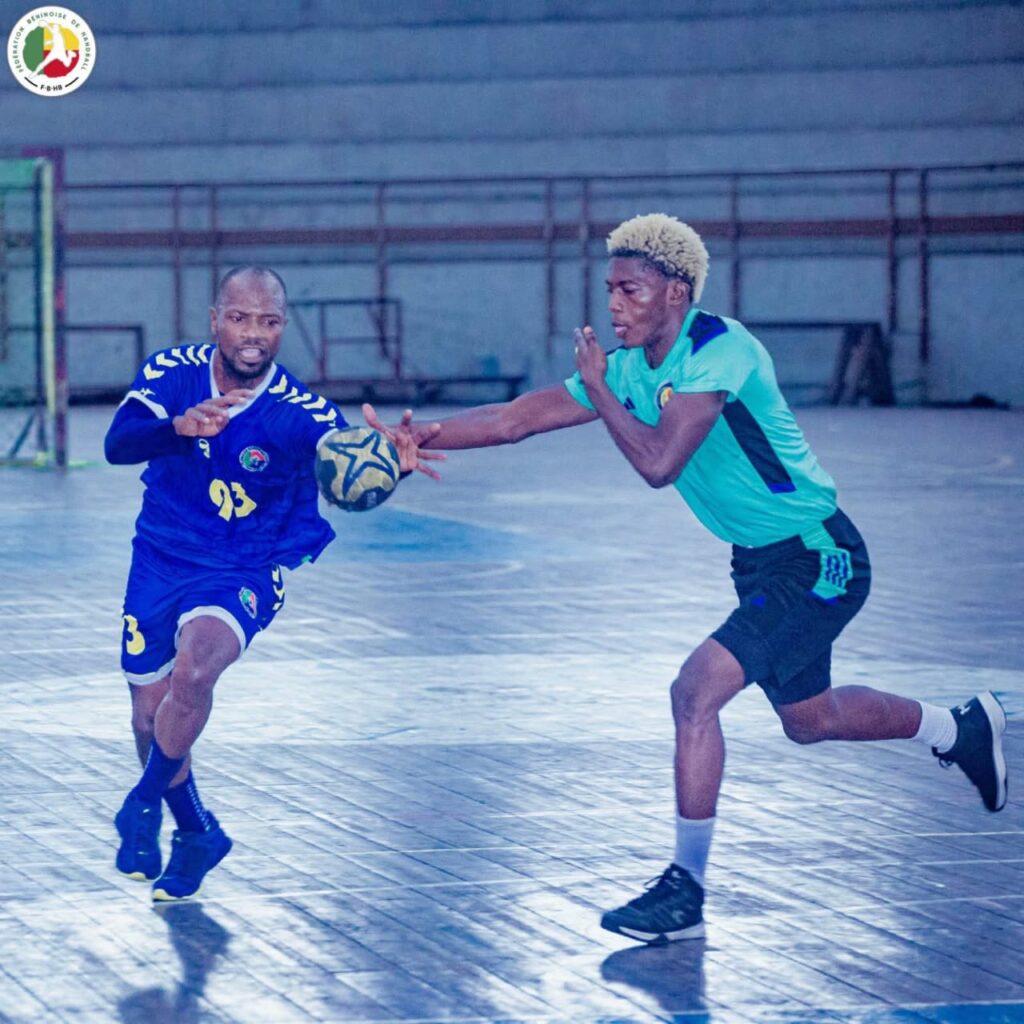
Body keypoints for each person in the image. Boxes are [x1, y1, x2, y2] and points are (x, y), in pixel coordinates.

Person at [365, 213, 1008, 944]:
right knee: (810, 720)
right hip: (758, 560)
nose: (614, 305)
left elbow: (659, 464)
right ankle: (958, 728)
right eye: (610, 289)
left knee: (694, 692)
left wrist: (599, 389)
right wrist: (415, 437)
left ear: (675, 291)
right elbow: (516, 419)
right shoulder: (628, 369)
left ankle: (686, 890)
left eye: (630, 290)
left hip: (818, 553)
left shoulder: (718, 350)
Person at [105, 265, 441, 901]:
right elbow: (117, 443)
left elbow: (340, 460)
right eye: (239, 318)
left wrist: (381, 464)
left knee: (194, 673)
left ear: (282, 326)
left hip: (244, 566)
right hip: (159, 556)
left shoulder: (300, 412)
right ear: (215, 320)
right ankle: (198, 834)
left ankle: (142, 802)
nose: (252, 333)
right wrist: (178, 428)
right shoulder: (173, 371)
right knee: (150, 718)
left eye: (268, 321)